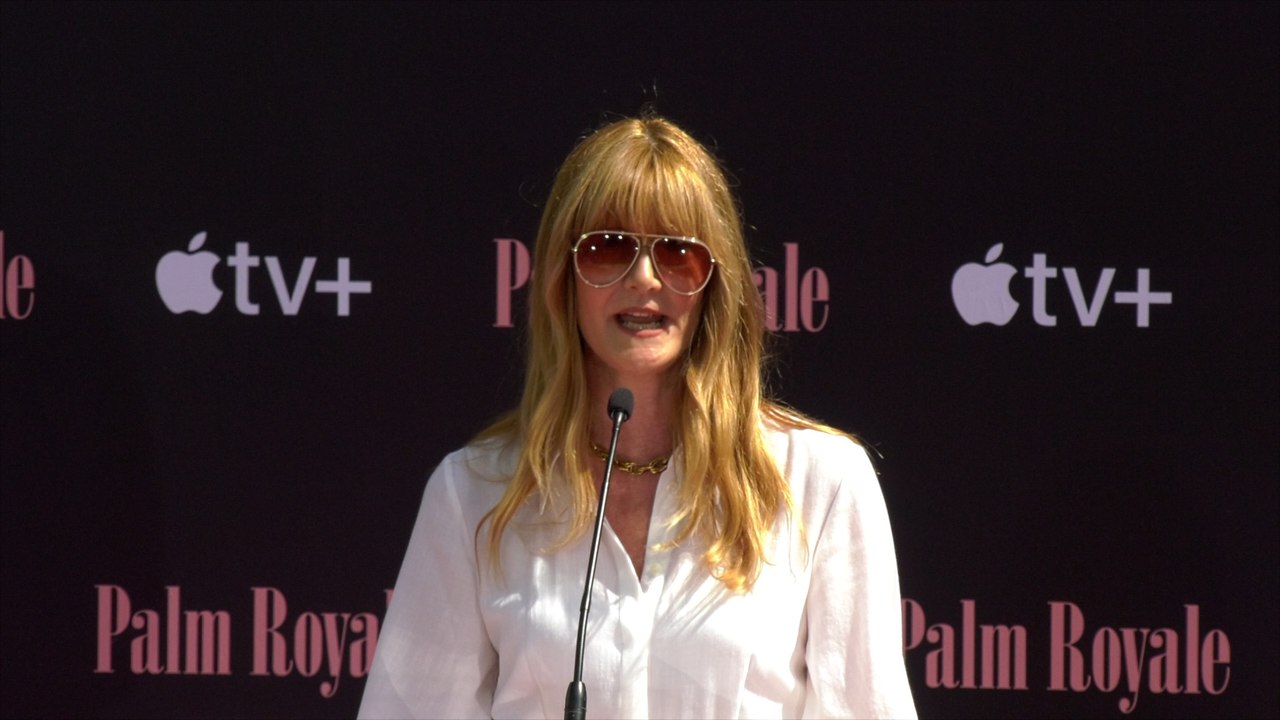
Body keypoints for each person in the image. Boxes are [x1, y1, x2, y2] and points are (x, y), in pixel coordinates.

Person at [358, 115, 917, 719]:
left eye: (678, 254)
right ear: (562, 279)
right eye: (608, 248)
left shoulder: (819, 482)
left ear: (714, 285)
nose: (645, 279)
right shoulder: (475, 493)